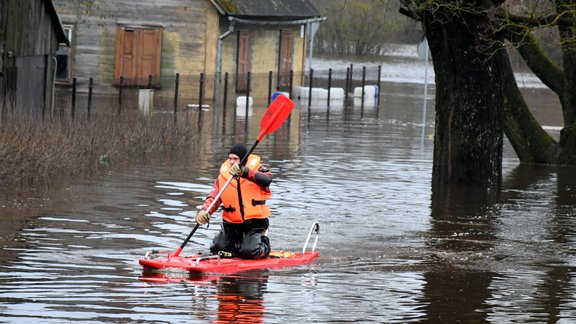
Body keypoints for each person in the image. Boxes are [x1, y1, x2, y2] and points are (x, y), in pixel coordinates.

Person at [195, 144, 273, 259]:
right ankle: (238, 247)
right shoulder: (223, 177)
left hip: (255, 224)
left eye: (235, 159)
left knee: (250, 252)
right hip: (232, 224)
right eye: (230, 158)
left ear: (243, 160)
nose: (231, 162)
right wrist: (204, 211)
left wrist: (245, 172)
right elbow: (213, 197)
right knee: (216, 248)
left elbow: (267, 179)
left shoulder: (259, 171)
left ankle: (263, 246)